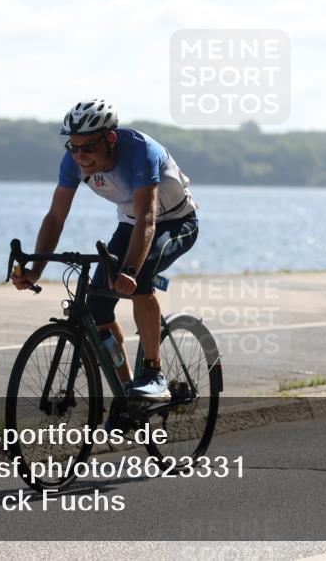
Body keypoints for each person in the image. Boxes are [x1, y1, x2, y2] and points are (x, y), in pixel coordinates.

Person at [11, 99, 198, 400]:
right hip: (131, 224)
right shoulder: (72, 161)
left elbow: (148, 219)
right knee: (97, 306)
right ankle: (128, 395)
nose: (80, 155)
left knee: (142, 278)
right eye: (73, 147)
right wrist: (35, 270)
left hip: (176, 222)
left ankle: (153, 373)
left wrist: (131, 271)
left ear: (110, 139)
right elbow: (56, 216)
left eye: (88, 147)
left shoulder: (140, 151)